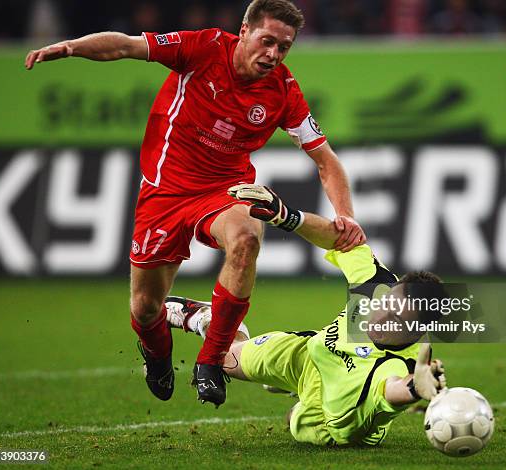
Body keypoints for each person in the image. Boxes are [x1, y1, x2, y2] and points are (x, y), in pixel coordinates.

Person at [25, 0, 366, 407]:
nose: (273, 54)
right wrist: (71, 47)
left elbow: (327, 162)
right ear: (244, 31)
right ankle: (158, 353)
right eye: (267, 41)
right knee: (145, 308)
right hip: (165, 193)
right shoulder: (202, 49)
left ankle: (211, 359)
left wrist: (344, 215)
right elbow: (125, 46)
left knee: (246, 238)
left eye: (284, 47)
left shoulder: (283, 91)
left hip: (226, 189)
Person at [165, 184, 447, 445]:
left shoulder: (401, 366)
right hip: (313, 353)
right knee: (222, 357)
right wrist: (286, 216)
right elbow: (341, 239)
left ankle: (297, 399)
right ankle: (203, 317)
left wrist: (414, 390)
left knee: (294, 422)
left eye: (397, 320)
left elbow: (394, 389)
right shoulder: (376, 284)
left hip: (329, 416)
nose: (382, 316)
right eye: (387, 304)